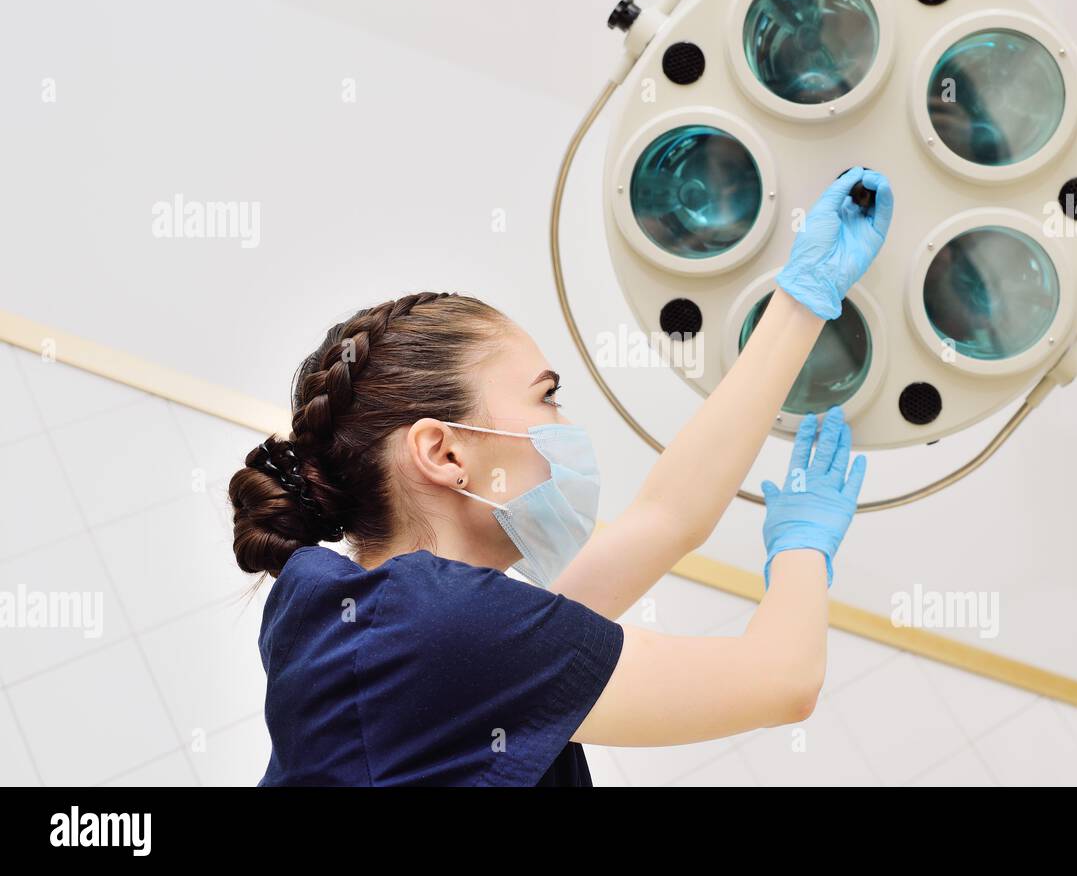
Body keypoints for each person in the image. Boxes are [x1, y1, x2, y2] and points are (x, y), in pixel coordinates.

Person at [228, 167, 894, 785]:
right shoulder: (448, 627)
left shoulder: (369, 615)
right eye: (545, 396)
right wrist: (804, 547)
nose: (562, 426)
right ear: (446, 453)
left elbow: (666, 519)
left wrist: (804, 298)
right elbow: (784, 681)